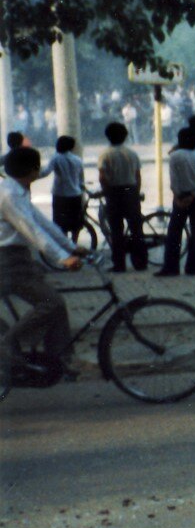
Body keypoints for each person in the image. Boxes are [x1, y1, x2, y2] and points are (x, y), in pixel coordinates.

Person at [2, 146, 88, 385]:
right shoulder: (9, 195)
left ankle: (59, 360)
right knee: (52, 302)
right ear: (33, 171)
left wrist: (69, 246)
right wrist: (62, 257)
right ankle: (8, 342)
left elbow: (42, 223)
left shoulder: (15, 190)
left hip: (17, 260)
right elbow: (32, 232)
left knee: (56, 305)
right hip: (7, 263)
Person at [97, 121, 147, 273]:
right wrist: (136, 192)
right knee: (136, 229)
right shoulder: (132, 154)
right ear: (125, 137)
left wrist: (107, 191)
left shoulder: (105, 154)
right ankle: (140, 263)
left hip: (114, 193)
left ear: (107, 137)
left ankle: (120, 264)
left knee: (116, 230)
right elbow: (138, 176)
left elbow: (102, 177)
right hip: (131, 192)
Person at [155, 127, 195, 277]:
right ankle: (194, 267)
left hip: (180, 199)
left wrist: (178, 196)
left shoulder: (175, 156)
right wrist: (193, 194)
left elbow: (174, 179)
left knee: (174, 233)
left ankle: (171, 267)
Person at [39, 136, 87, 246]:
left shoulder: (56, 158)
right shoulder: (77, 159)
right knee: (75, 222)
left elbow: (45, 172)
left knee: (61, 223)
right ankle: (74, 243)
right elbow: (81, 180)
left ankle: (65, 244)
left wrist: (32, 175)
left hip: (60, 195)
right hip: (75, 195)